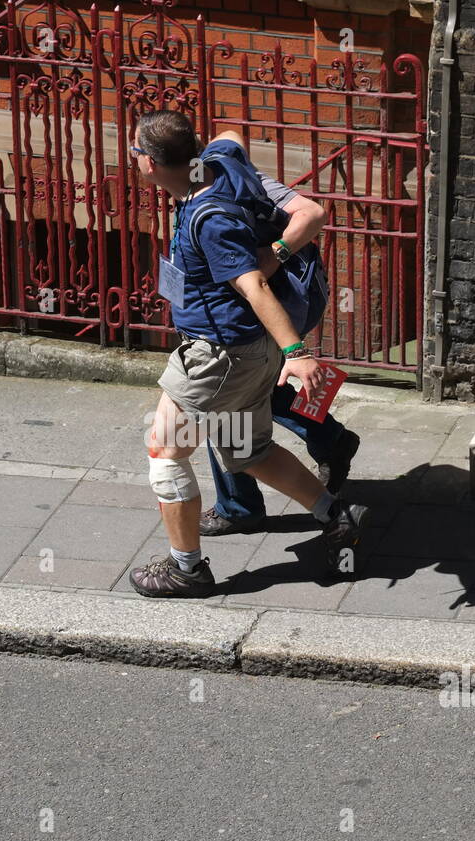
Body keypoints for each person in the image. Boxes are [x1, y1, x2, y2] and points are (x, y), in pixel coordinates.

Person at [127, 110, 368, 599]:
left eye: (135, 151)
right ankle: (337, 515)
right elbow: (233, 132)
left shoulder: (209, 219)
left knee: (165, 453)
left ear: (150, 164)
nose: (132, 158)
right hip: (248, 351)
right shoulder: (220, 160)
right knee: (247, 450)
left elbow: (254, 284)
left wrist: (297, 353)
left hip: (217, 358)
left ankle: (186, 569)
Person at [200, 167, 360, 536]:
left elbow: (313, 213)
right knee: (260, 389)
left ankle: (239, 506)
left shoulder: (233, 177)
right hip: (251, 313)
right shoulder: (198, 185)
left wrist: (274, 254)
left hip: (263, 311)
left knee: (224, 403)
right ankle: (331, 440)